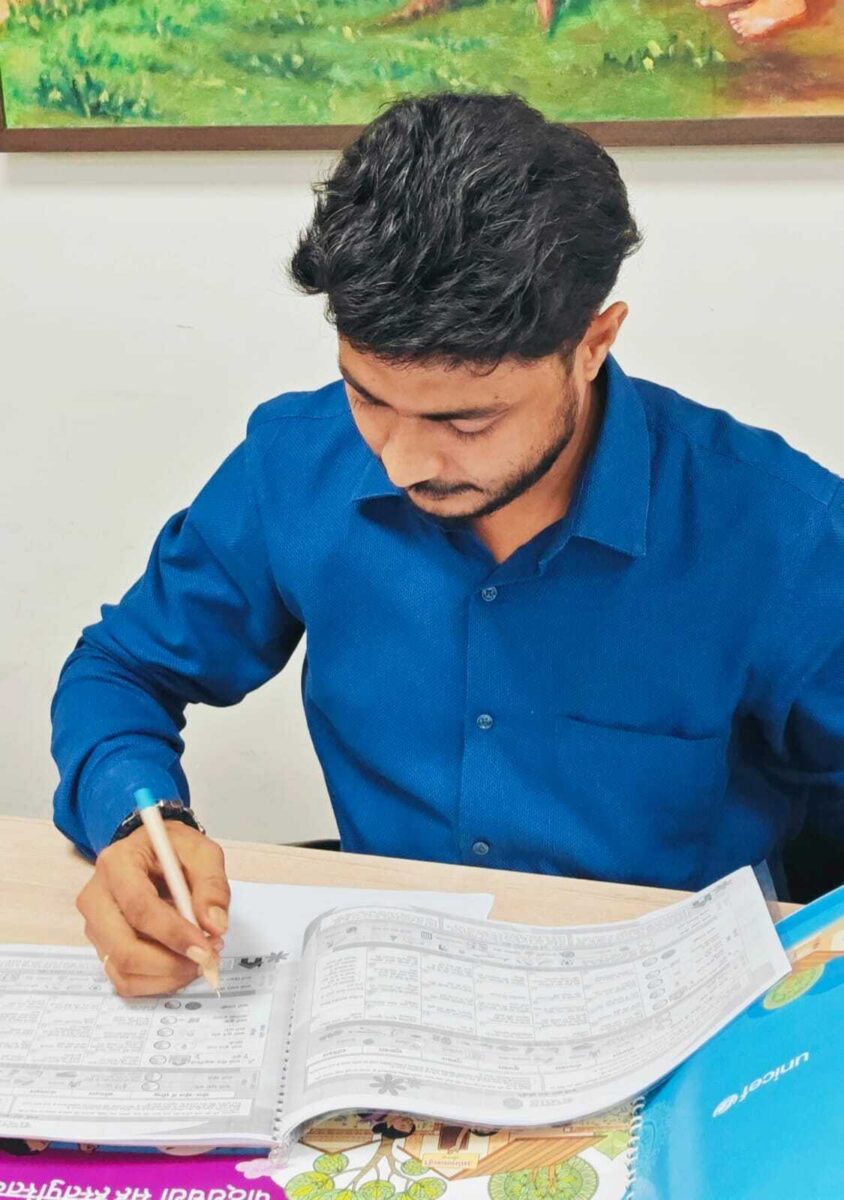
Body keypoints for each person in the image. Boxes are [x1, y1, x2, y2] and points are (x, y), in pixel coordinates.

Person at [50, 93, 843, 999]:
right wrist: (138, 821)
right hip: (394, 990)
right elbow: (122, 669)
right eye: (367, 396)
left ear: (593, 343)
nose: (401, 461)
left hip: (679, 995)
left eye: (465, 421)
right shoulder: (298, 465)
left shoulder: (776, 533)